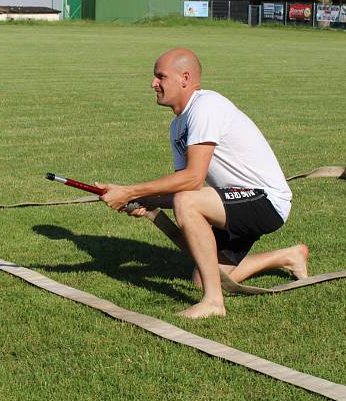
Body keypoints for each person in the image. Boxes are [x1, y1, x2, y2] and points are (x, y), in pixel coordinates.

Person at [99, 48, 307, 319]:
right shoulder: (177, 127)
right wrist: (145, 202)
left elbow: (193, 179)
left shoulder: (205, 106)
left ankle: (213, 303)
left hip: (266, 202)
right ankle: (289, 256)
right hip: (232, 202)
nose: (153, 83)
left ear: (185, 78)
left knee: (187, 203)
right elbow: (183, 188)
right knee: (204, 275)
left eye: (160, 76)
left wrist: (130, 190)